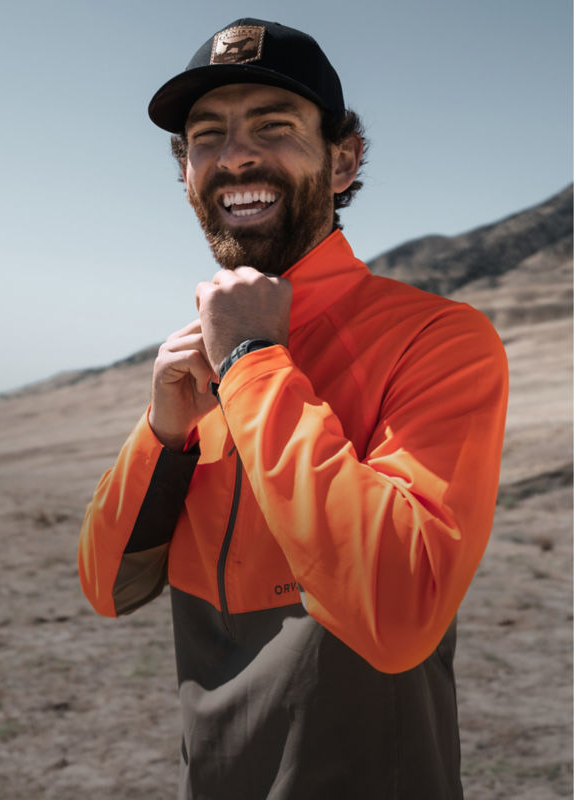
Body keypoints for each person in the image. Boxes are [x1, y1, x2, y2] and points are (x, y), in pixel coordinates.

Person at [79, 18, 508, 799]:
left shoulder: (440, 339)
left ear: (343, 161)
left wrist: (251, 361)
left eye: (273, 127)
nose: (234, 155)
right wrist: (163, 436)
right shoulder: (201, 359)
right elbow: (108, 589)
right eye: (205, 137)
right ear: (184, 170)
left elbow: (397, 612)